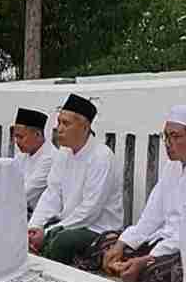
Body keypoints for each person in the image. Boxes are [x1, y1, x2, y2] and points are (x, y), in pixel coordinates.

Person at [87, 105, 186, 282]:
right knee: (106, 245)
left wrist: (146, 259)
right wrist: (121, 245)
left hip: (183, 248)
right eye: (166, 136)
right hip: (159, 240)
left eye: (175, 137)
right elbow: (151, 217)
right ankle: (129, 266)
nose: (168, 143)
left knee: (153, 273)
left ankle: (134, 267)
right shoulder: (171, 167)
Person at [27, 93, 123, 266]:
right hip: (66, 223)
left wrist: (49, 232)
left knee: (61, 242)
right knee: (26, 231)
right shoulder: (64, 153)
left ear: (85, 127)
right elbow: (52, 194)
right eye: (58, 122)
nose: (59, 129)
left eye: (66, 123)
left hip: (96, 227)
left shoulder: (101, 156)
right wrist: (35, 226)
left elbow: (90, 210)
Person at [11, 107, 56, 215]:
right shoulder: (21, 156)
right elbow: (9, 183)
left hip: (39, 216)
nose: (16, 142)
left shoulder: (50, 158)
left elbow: (26, 193)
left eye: (20, 137)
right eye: (15, 137)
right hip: (20, 210)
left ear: (37, 135)